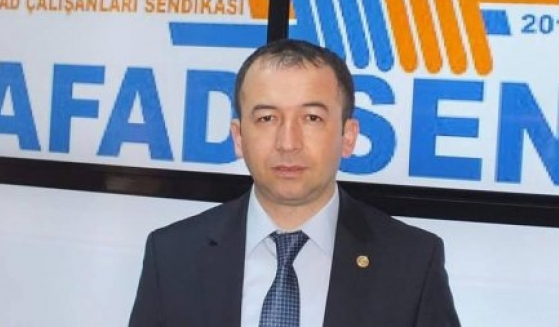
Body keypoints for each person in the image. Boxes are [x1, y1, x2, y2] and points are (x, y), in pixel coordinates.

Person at [129, 39, 460, 327]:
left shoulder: (412, 263)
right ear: (238, 137)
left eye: (312, 118)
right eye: (267, 118)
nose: (288, 143)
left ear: (348, 136)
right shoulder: (173, 256)